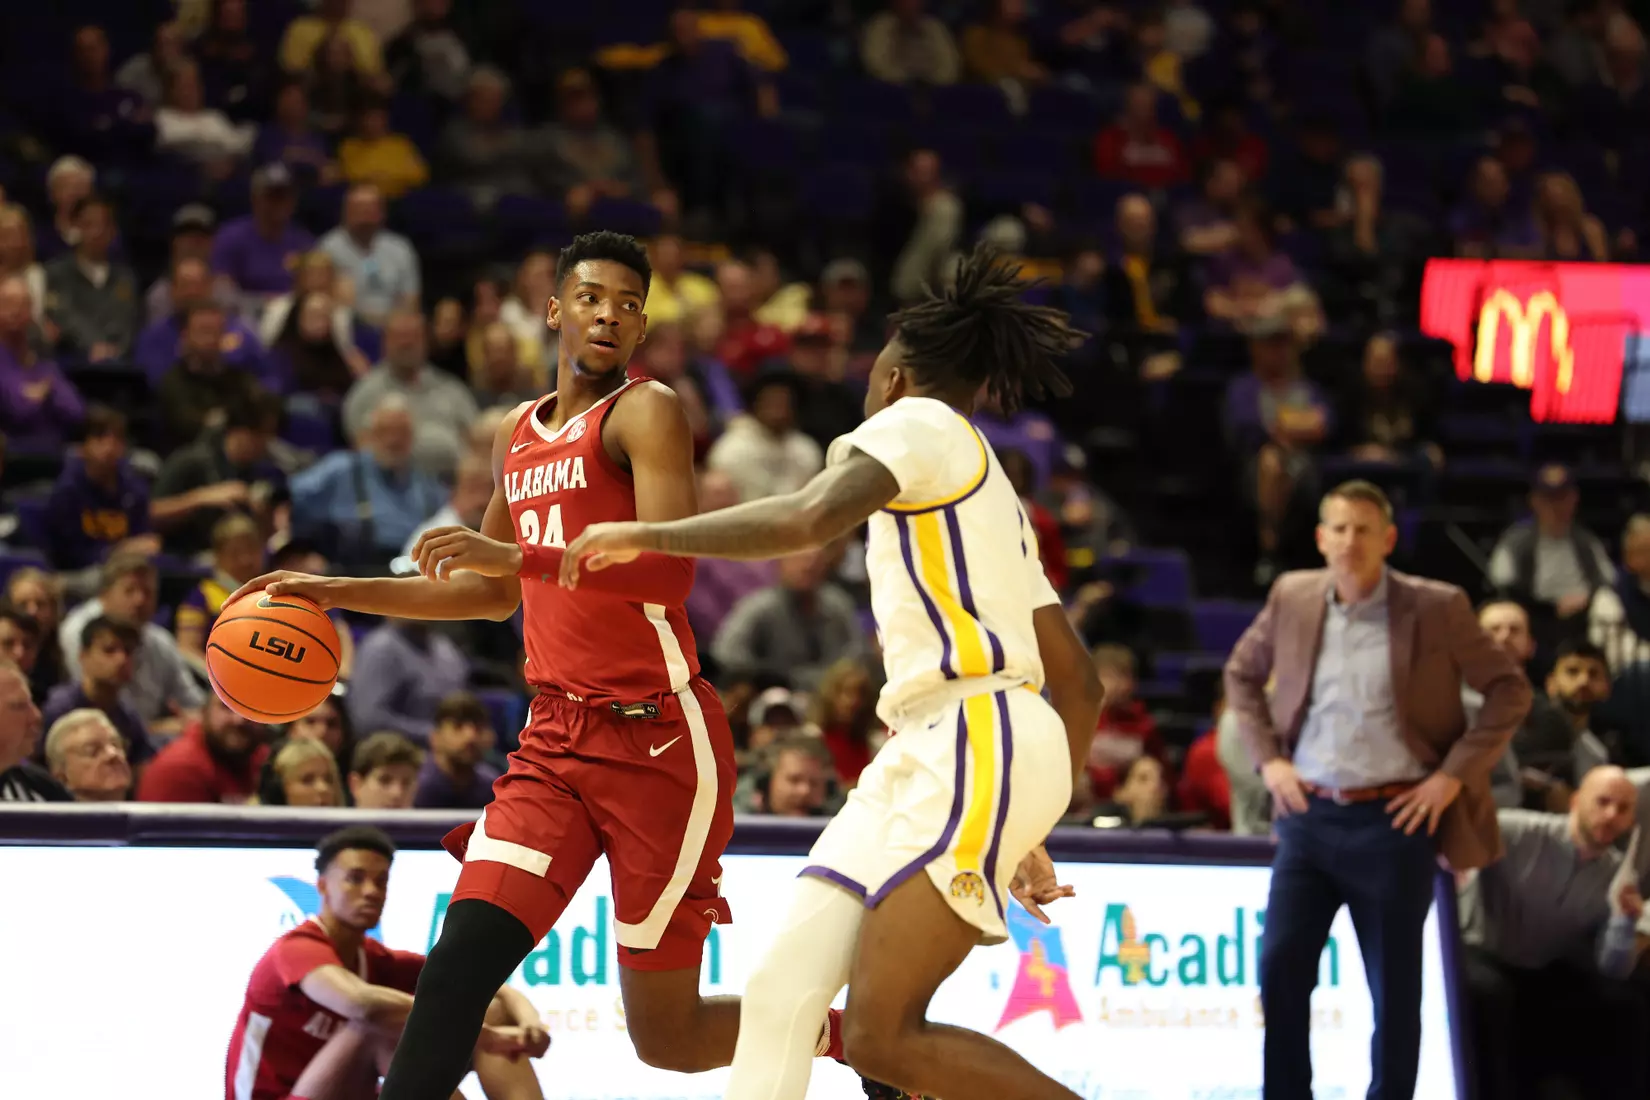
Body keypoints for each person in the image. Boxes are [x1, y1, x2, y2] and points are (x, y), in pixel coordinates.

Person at [227, 231, 851, 1099]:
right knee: (456, 970)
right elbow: (483, 594)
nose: (611, 314)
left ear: (640, 330)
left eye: (631, 305)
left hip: (659, 744)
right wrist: (336, 590)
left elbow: (668, 566)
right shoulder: (517, 434)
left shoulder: (646, 411)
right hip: (555, 741)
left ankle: (854, 1039)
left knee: (667, 1039)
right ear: (555, 310)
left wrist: (517, 559)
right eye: (593, 296)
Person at [559, 244, 1106, 1100]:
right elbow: (1081, 681)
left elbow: (809, 517)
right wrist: (1029, 811)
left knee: (885, 1039)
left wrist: (647, 533)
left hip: (973, 732)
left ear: (897, 376)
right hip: (948, 743)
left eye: (876, 362)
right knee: (783, 996)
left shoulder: (913, 423)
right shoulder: (988, 487)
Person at [1224, 479, 1532, 1100]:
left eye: (1364, 528)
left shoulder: (1437, 605)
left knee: (1394, 992)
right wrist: (1271, 762)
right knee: (1280, 968)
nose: (1350, 540)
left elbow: (1510, 690)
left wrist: (1451, 777)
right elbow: (1240, 674)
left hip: (1395, 821)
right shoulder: (1293, 594)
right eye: (1338, 528)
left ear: (1388, 539)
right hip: (1309, 818)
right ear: (1319, 537)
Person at [224, 826, 548, 1100]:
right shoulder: (296, 949)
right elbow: (361, 1003)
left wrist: (529, 1021)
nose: (371, 892)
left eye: (381, 881)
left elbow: (485, 985)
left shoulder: (373, 958)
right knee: (376, 1025)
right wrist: (482, 1032)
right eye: (355, 879)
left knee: (484, 1009)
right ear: (322, 886)